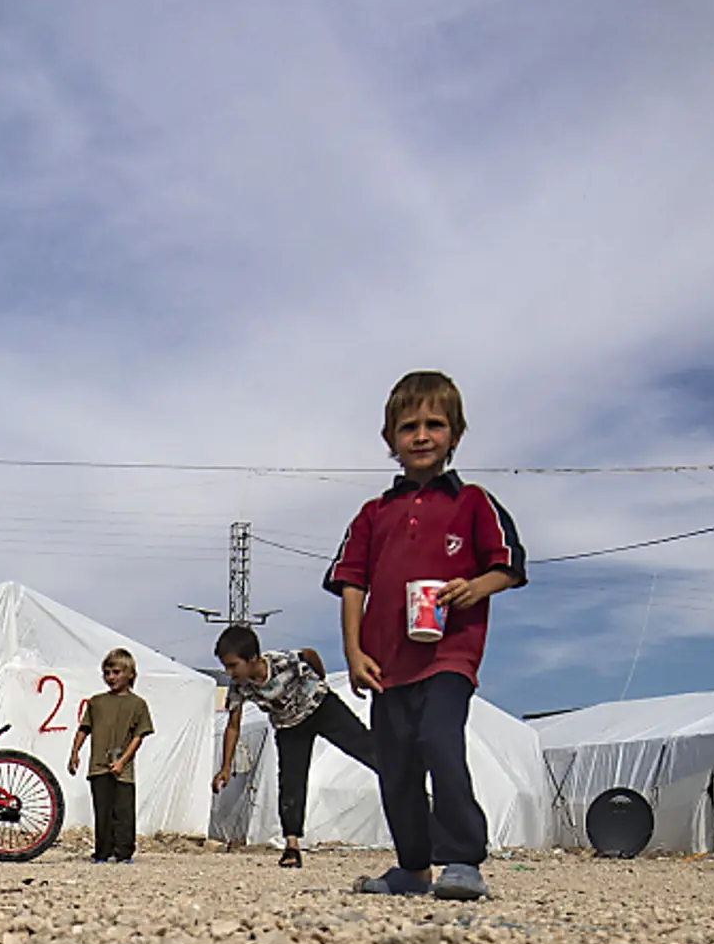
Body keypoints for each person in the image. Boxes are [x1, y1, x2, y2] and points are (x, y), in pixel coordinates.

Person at [326, 369, 526, 900]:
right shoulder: (373, 514)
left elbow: (509, 565)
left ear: (455, 435)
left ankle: (462, 859)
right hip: (386, 664)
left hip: (448, 656)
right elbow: (350, 583)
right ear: (390, 438)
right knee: (395, 766)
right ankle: (413, 870)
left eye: (434, 424)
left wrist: (473, 587)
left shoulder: (474, 503)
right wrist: (354, 650)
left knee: (440, 743)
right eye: (409, 426)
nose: (421, 436)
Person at [211, 625, 376, 869]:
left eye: (233, 665)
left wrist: (320, 680)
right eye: (225, 666)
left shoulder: (282, 661)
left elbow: (310, 655)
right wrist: (225, 767)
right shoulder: (239, 687)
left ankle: (411, 794)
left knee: (366, 748)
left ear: (253, 659)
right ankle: (292, 846)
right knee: (291, 782)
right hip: (289, 727)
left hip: (320, 707)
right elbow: (233, 726)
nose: (229, 672)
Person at [69, 648, 154, 864]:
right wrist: (74, 753)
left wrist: (123, 761)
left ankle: (124, 852)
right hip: (99, 766)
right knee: (102, 811)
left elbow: (138, 736)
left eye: (116, 672)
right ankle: (102, 852)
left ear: (130, 674)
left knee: (124, 812)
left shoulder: (138, 705)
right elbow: (84, 729)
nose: (111, 677)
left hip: (122, 769)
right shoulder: (96, 702)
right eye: (107, 673)